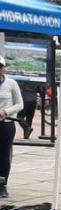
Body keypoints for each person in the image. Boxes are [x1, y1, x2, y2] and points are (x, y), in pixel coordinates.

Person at [0, 55, 23, 198]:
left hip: (6, 123)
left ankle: (2, 184)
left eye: (0, 66)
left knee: (3, 155)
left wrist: (5, 111)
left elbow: (20, 104)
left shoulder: (11, 83)